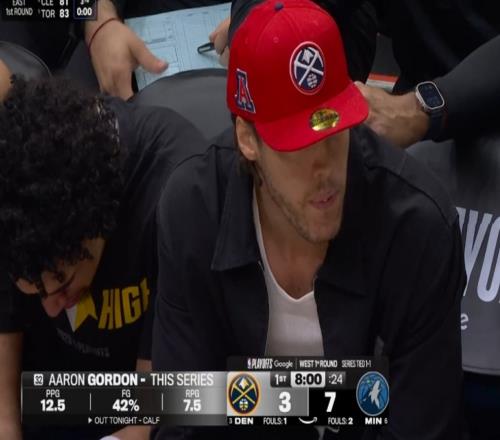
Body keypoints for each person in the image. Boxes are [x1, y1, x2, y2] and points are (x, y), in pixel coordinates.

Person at [152, 0, 466, 438]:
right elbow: (184, 414)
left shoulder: (417, 227)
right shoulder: (193, 209)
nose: (324, 171)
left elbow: (421, 428)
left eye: (334, 132)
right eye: (297, 145)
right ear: (248, 139)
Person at [0, 77, 206, 440]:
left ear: (95, 222)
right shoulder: (14, 190)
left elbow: (153, 411)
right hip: (48, 394)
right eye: (36, 291)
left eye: (61, 284)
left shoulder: (176, 195)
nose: (51, 308)